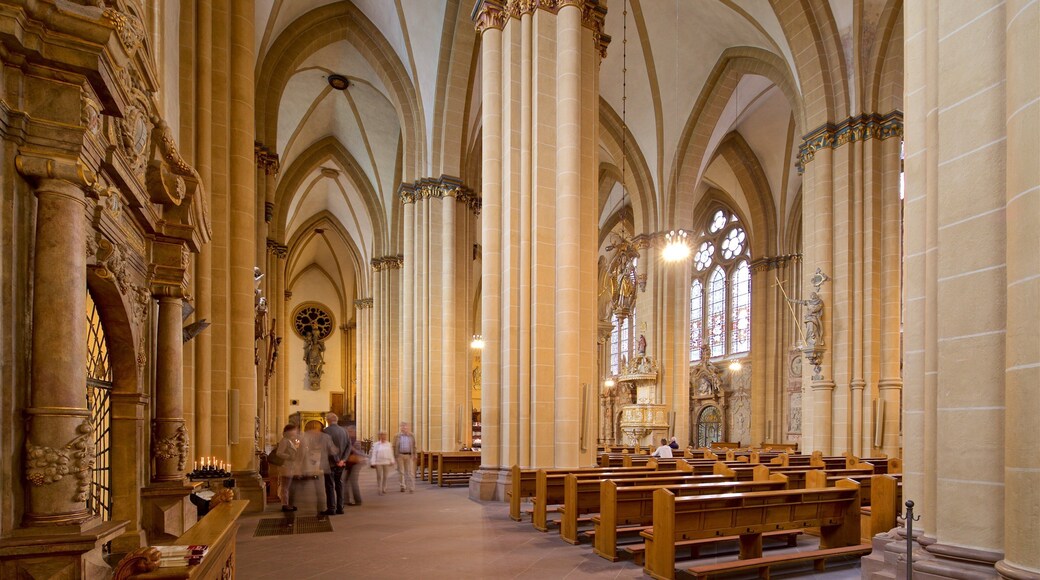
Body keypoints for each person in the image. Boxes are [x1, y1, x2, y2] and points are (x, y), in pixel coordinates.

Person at [291, 420, 338, 517]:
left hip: (311, 465)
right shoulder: (326, 437)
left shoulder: (304, 437)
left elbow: (301, 453)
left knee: (313, 489)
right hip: (321, 465)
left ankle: (315, 508)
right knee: (321, 488)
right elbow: (333, 451)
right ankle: (323, 508)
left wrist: (298, 466)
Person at [323, 412, 350, 514]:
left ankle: (331, 508)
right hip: (341, 464)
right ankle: (340, 507)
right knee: (339, 484)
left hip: (329, 463)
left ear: (328, 420)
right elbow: (348, 446)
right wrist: (343, 460)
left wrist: (337, 460)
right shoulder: (344, 431)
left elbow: (329, 447)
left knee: (329, 485)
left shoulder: (326, 431)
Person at [272, 424, 300, 512]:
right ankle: (285, 505)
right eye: (294, 430)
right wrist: (289, 456)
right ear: (289, 431)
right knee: (285, 486)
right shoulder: (284, 440)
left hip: (289, 466)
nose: (296, 432)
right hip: (286, 466)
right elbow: (279, 453)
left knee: (287, 486)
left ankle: (287, 503)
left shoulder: (289, 440)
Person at [344, 423, 367, 505]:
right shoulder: (347, 440)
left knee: (353, 482)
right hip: (348, 463)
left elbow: (360, 453)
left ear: (354, 432)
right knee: (344, 481)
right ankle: (346, 500)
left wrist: (352, 448)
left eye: (350, 431)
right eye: (348, 431)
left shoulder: (356, 441)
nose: (349, 433)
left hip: (355, 463)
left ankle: (358, 500)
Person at [393, 422, 417, 493]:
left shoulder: (411, 435)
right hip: (400, 455)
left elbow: (414, 446)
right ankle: (402, 486)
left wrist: (415, 455)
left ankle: (412, 487)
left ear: (408, 427)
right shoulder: (397, 436)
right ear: (400, 427)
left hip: (409, 455)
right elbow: (394, 446)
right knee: (401, 472)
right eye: (402, 426)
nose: (404, 428)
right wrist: (394, 456)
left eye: (405, 426)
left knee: (410, 472)